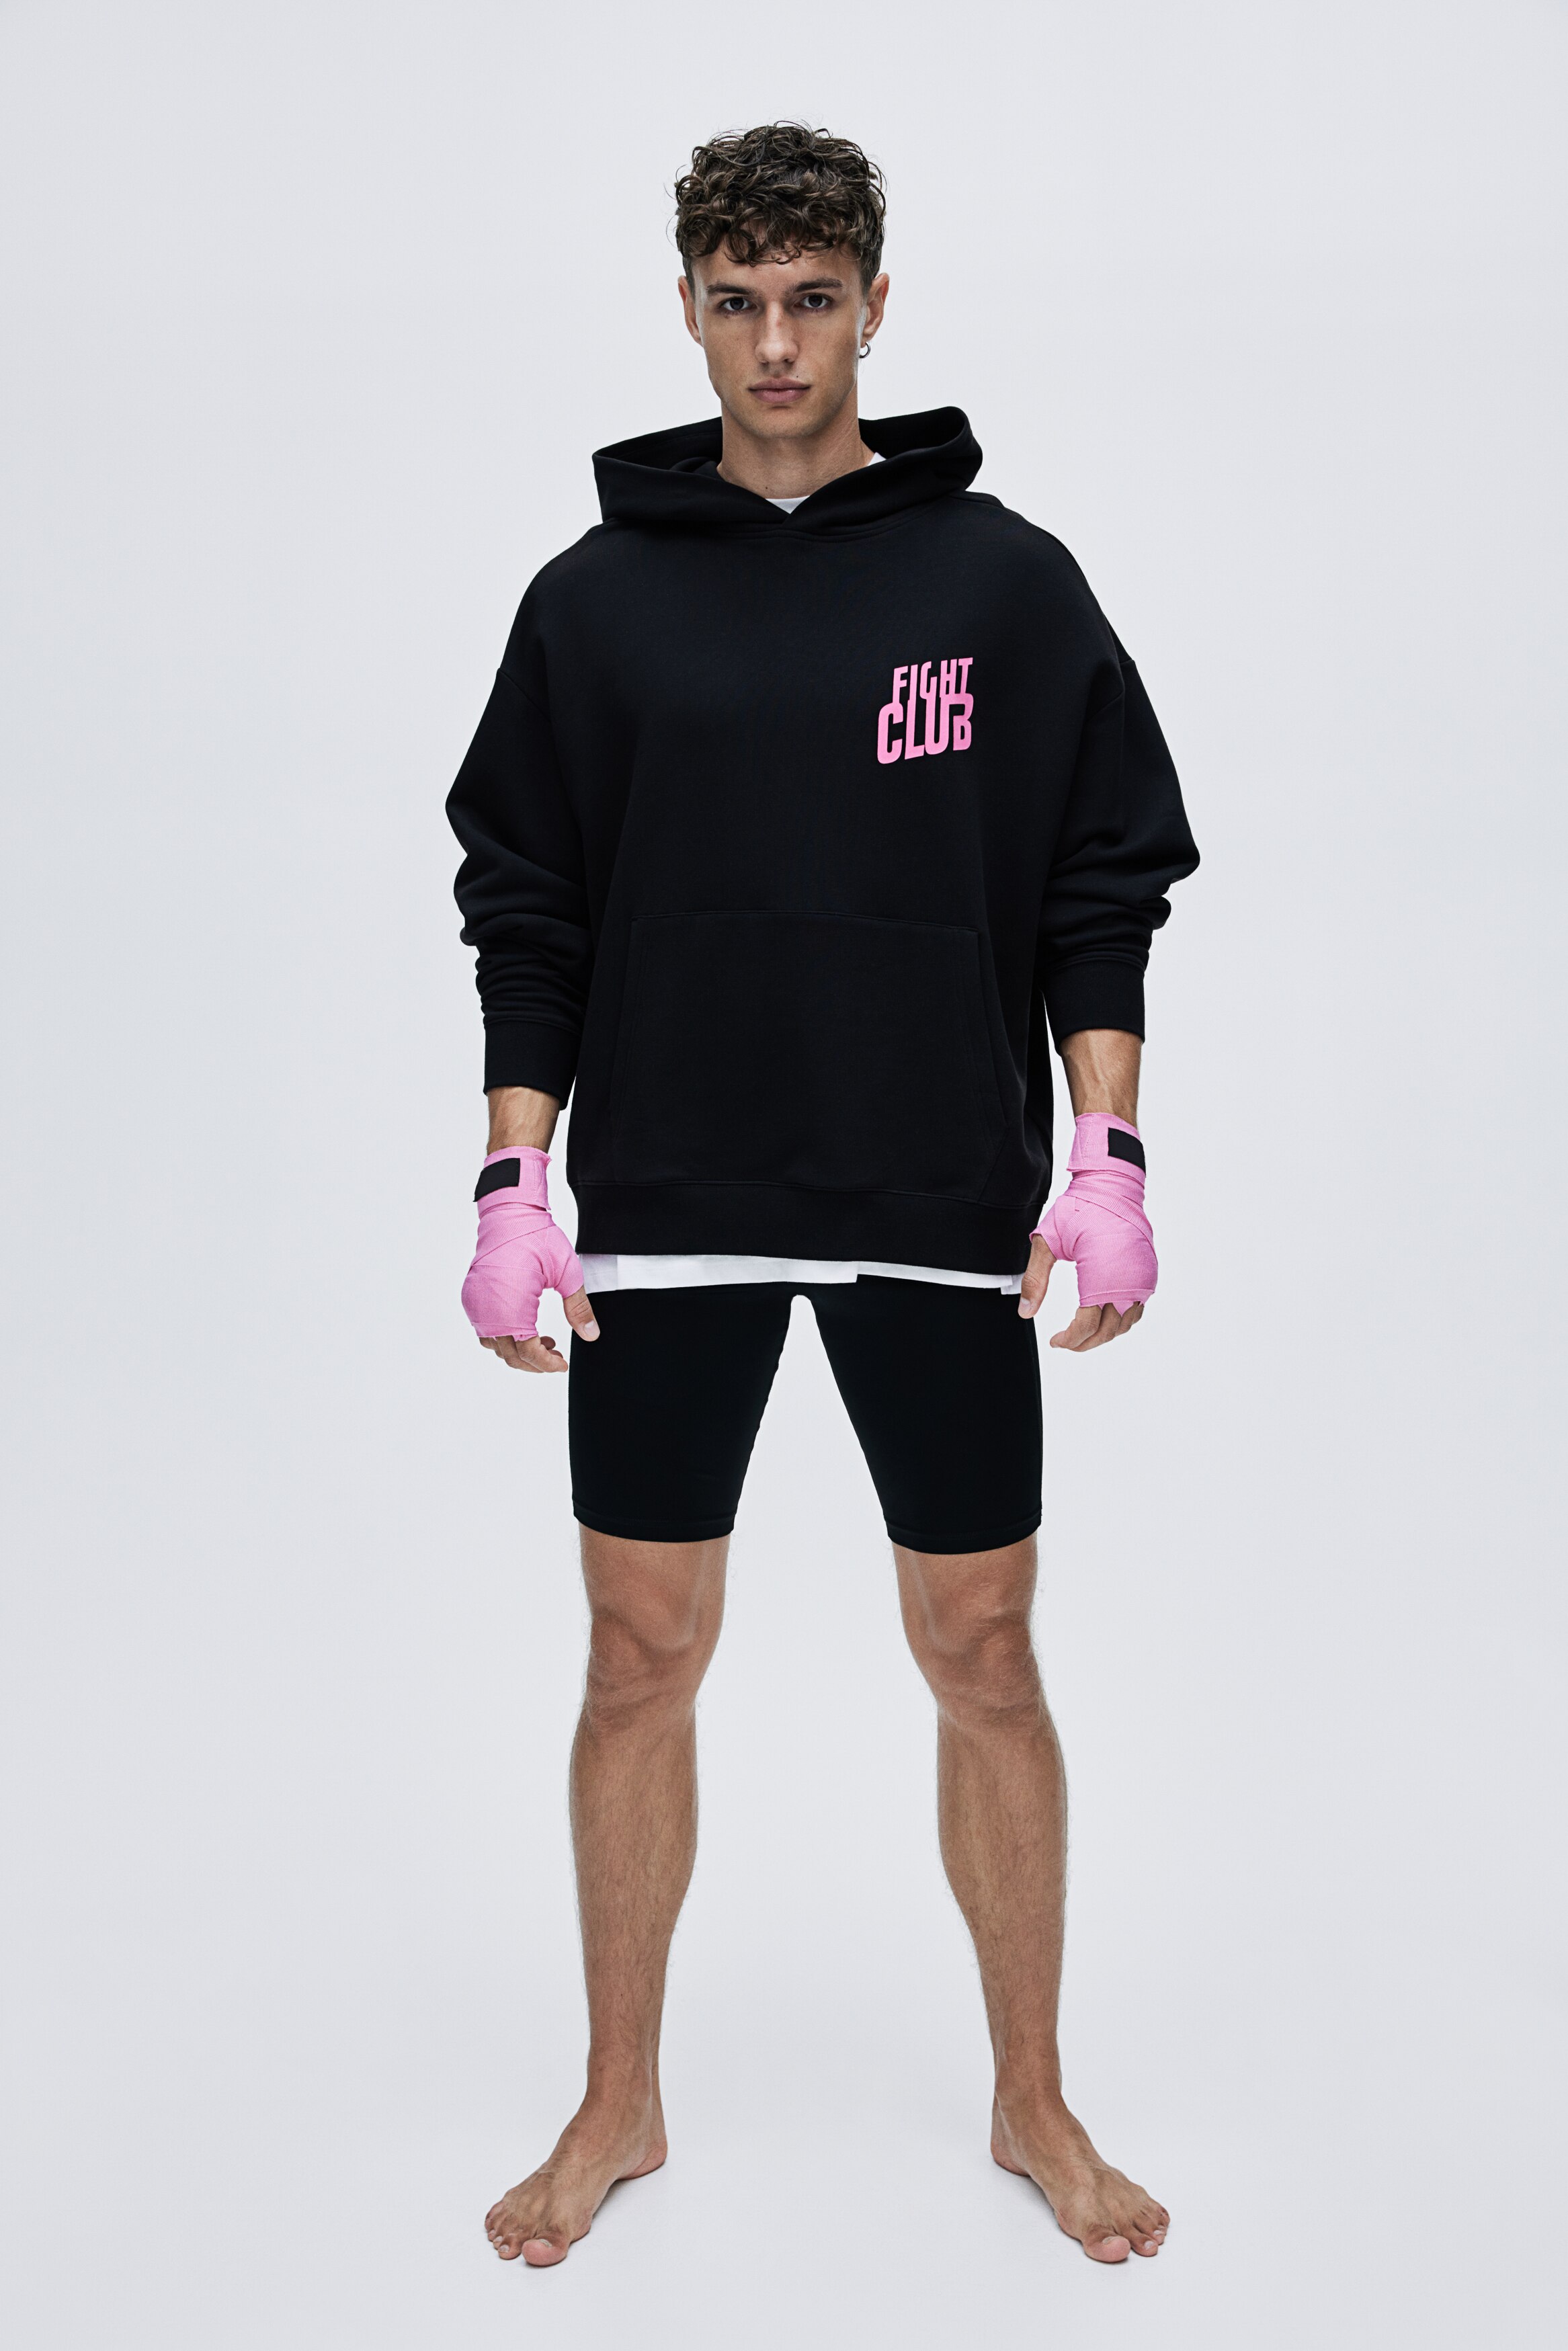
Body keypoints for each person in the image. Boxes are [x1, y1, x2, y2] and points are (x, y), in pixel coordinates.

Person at [446, 122, 1198, 2270]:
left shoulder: (1001, 585)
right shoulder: (593, 603)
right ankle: (619, 2095)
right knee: (637, 1651)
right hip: (670, 1191)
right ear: (687, 310)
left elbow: (1099, 879)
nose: (776, 341)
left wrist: (1107, 1153)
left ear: (876, 303)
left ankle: (1033, 2092)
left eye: (812, 299)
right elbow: (529, 903)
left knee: (984, 1645)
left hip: (934, 1191)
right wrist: (514, 1173)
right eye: (738, 301)